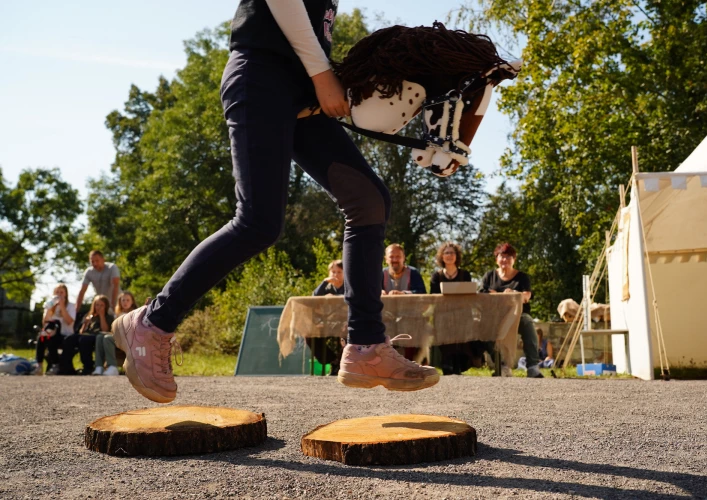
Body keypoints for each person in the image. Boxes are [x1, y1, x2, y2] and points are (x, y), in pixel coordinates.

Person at [111, 0, 439, 403]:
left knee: (368, 199)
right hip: (260, 75)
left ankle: (366, 345)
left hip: (302, 87)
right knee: (258, 222)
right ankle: (151, 323)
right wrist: (322, 75)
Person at [480, 242, 543, 378]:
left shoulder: (522, 277)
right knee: (483, 325)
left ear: (514, 259)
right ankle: (502, 366)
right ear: (496, 259)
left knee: (527, 321)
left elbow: (526, 296)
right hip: (495, 317)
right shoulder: (489, 276)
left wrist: (513, 294)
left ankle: (533, 367)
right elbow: (482, 295)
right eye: (502, 256)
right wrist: (497, 295)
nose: (505, 259)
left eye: (509, 257)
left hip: (517, 316)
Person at [429, 242, 477, 375]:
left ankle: (459, 364)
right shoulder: (436, 276)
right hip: (443, 314)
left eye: (452, 253)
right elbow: (433, 297)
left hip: (462, 313)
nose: (449, 255)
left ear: (457, 256)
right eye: (446, 253)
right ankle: (447, 363)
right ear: (442, 256)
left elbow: (469, 295)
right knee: (443, 324)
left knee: (463, 325)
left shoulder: (465, 275)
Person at [309, 260, 346, 375]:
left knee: (346, 331)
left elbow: (352, 299)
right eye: (333, 272)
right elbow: (314, 297)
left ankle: (342, 362)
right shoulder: (327, 286)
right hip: (328, 323)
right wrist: (324, 282)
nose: (335, 275)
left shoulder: (349, 286)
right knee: (310, 334)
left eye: (339, 272)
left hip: (346, 322)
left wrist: (336, 297)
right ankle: (333, 360)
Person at [93, 292, 138, 376]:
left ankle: (112, 367)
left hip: (129, 339)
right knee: (99, 337)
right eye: (123, 300)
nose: (125, 302)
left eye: (128, 300)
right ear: (120, 302)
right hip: (119, 337)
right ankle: (99, 366)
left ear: (132, 302)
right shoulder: (117, 313)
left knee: (107, 338)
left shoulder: (135, 313)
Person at [35, 284, 76, 375]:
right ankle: (39, 365)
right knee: (42, 336)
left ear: (66, 294)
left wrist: (62, 307)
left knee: (52, 335)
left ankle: (55, 364)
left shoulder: (71, 306)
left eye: (61, 292)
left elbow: (69, 322)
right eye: (57, 292)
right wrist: (50, 309)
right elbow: (45, 323)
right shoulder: (50, 305)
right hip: (51, 334)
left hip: (65, 335)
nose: (59, 295)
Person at [69, 295, 114, 375]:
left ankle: (88, 367)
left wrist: (102, 316)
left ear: (106, 306)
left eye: (102, 305)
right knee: (70, 339)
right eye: (97, 305)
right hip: (86, 335)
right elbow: (81, 332)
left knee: (84, 340)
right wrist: (85, 323)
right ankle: (66, 367)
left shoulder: (108, 317)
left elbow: (105, 330)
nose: (99, 307)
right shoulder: (89, 316)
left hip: (99, 337)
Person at [76, 250, 120, 315]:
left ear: (103, 259)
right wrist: (76, 310)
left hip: (117, 303)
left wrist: (113, 305)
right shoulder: (89, 272)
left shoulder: (112, 268)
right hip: (101, 304)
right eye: (92, 261)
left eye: (97, 261)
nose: (95, 264)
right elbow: (82, 291)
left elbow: (115, 286)